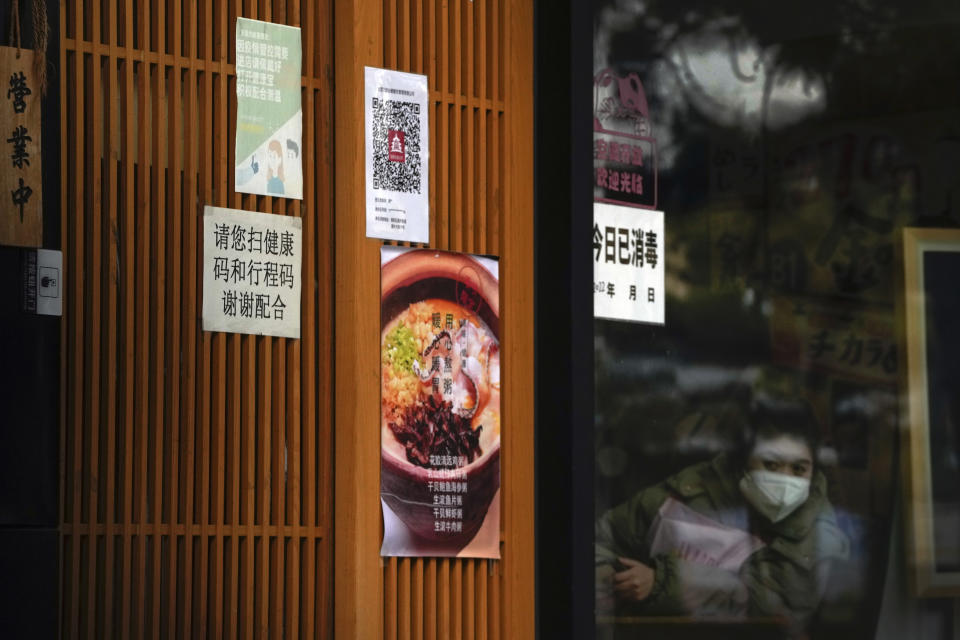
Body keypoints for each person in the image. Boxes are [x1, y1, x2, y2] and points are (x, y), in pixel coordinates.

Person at [595, 398, 850, 632]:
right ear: (744, 460)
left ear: (813, 471)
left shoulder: (817, 530)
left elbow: (769, 610)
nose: (784, 481)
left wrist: (661, 581)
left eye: (798, 469)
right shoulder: (693, 490)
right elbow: (605, 538)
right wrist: (611, 581)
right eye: (770, 464)